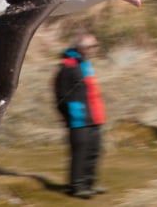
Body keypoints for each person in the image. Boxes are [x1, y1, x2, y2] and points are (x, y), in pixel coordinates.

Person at [54, 33, 108, 199]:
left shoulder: (85, 64)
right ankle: (76, 186)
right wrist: (71, 114)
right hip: (79, 120)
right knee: (80, 153)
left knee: (94, 151)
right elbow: (60, 95)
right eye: (92, 46)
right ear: (82, 48)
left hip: (94, 117)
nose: (95, 49)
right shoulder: (68, 67)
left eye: (95, 46)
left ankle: (89, 183)